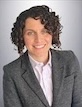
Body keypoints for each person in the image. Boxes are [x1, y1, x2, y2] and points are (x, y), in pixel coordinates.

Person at [3, 5, 82, 107]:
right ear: (21, 36)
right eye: (30, 33)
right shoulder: (12, 72)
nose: (38, 40)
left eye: (44, 31)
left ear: (52, 33)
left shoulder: (69, 60)